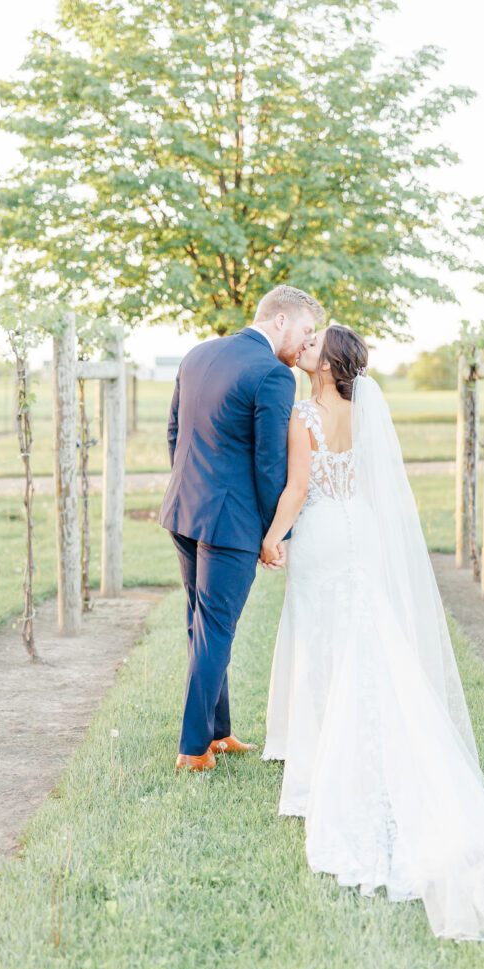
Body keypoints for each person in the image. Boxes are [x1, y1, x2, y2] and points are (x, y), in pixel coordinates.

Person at [260, 323, 484, 948]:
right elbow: (367, 484)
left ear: (327, 364)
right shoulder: (363, 410)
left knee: (325, 657)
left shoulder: (303, 414)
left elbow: (297, 488)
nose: (305, 347)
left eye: (315, 346)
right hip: (362, 532)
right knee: (369, 651)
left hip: (320, 537)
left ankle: (324, 776)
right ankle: (362, 759)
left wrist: (271, 538)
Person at [159, 285, 325, 771]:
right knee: (214, 629)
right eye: (306, 331)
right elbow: (270, 465)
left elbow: (174, 432)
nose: (307, 342)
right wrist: (277, 535)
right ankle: (193, 750)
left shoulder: (198, 354)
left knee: (204, 625)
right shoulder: (274, 375)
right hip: (229, 524)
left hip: (184, 510)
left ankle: (219, 732)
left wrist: (190, 487)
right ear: (280, 322)